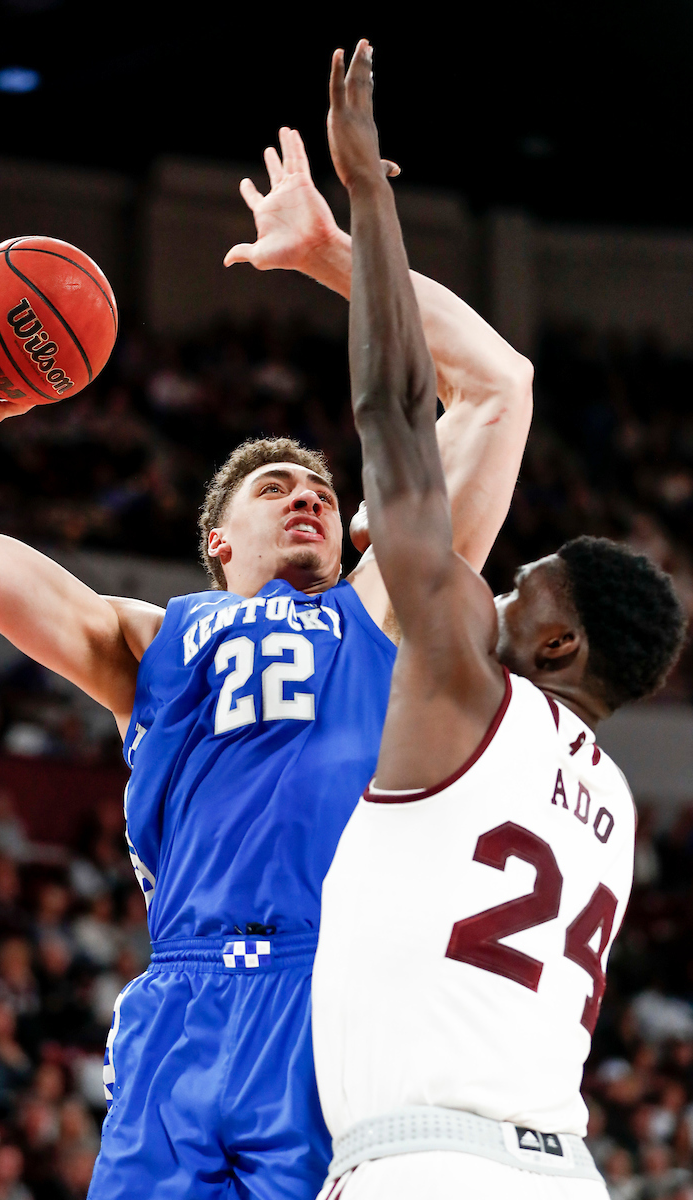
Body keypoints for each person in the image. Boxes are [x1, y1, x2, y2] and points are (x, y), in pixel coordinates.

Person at [0, 144, 531, 1200]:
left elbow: (497, 387)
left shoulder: (376, 609)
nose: (307, 497)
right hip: (181, 1008)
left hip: (327, 995)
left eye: (321, 489)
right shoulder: (147, 641)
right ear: (216, 545)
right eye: (276, 485)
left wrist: (336, 255)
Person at [311, 40, 687, 1200]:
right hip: (562, 1171)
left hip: (424, 1168)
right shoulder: (614, 810)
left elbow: (390, 414)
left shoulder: (471, 693)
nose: (489, 589)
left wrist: (369, 197)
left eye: (516, 586)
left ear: (557, 645)